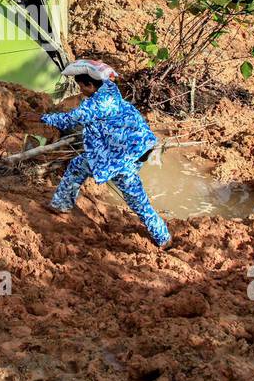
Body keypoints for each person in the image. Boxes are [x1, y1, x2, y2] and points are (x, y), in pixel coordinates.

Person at [40, 59, 171, 249]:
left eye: (81, 86)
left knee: (136, 199)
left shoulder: (95, 105)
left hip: (118, 157)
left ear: (91, 85)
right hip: (139, 148)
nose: (80, 90)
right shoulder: (110, 88)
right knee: (79, 165)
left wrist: (43, 117)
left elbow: (69, 120)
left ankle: (163, 237)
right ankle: (162, 236)